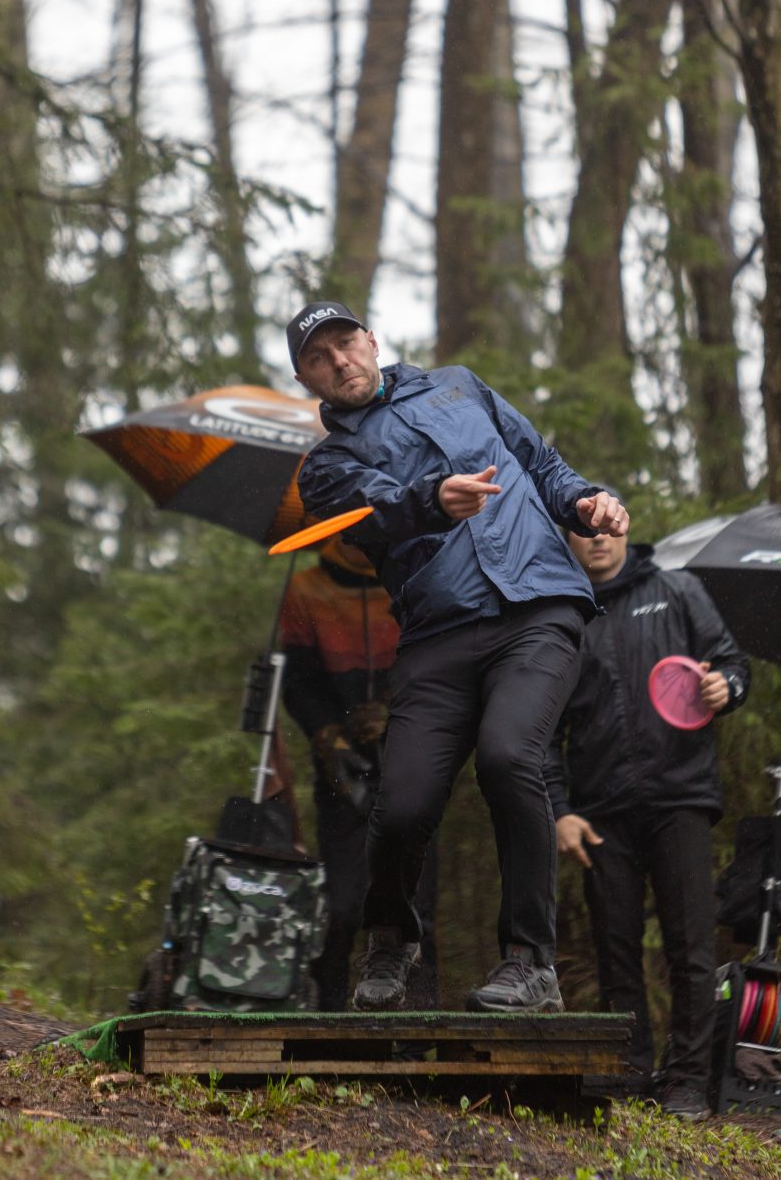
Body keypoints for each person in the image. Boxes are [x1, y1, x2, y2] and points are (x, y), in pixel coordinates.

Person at [286, 299, 628, 1013]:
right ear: (308, 379)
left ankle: (530, 962)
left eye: (346, 343)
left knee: (510, 756)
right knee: (403, 803)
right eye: (320, 358)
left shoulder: (461, 386)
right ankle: (391, 938)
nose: (340, 361)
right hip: (438, 633)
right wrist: (434, 501)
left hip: (539, 609)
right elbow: (377, 510)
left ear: (371, 340)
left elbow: (540, 463)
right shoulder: (326, 466)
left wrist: (589, 501)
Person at [545, 519, 749, 1120]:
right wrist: (561, 812)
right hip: (601, 810)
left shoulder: (678, 589)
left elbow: (732, 666)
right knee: (616, 947)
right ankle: (630, 1071)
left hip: (680, 797)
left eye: (606, 529)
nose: (597, 540)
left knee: (691, 945)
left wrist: (725, 688)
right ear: (570, 545)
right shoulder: (563, 618)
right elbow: (544, 732)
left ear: (624, 532)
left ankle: (686, 1080)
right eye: (582, 532)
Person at [280, 532, 438, 1010]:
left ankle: (418, 1035)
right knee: (343, 905)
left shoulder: (414, 580)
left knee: (418, 903)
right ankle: (330, 1026)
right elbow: (297, 681)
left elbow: (434, 662)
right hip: (340, 771)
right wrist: (332, 733)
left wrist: (394, 707)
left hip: (410, 759)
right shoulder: (306, 589)